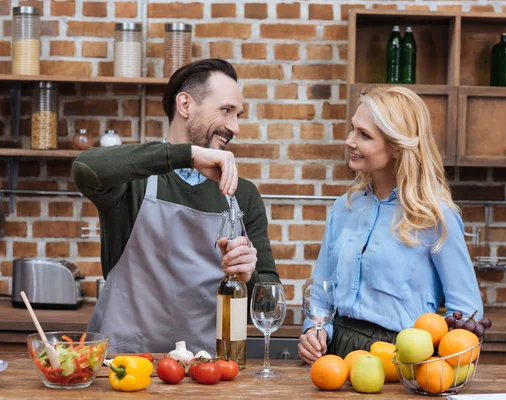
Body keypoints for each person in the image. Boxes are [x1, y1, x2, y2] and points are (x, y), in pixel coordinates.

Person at [72, 59, 279, 354]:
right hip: (123, 367)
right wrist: (188, 156)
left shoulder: (242, 195)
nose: (235, 127)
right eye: (226, 111)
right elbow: (85, 168)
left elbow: (267, 302)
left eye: (238, 115)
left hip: (205, 369)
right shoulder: (133, 182)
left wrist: (249, 275)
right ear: (185, 105)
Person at [298, 86, 483, 363]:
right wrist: (314, 330)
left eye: (364, 135)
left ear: (397, 146)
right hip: (335, 355)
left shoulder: (435, 216)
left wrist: (430, 364)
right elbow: (321, 294)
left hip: (402, 359)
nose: (350, 141)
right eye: (352, 129)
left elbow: (467, 311)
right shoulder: (345, 208)